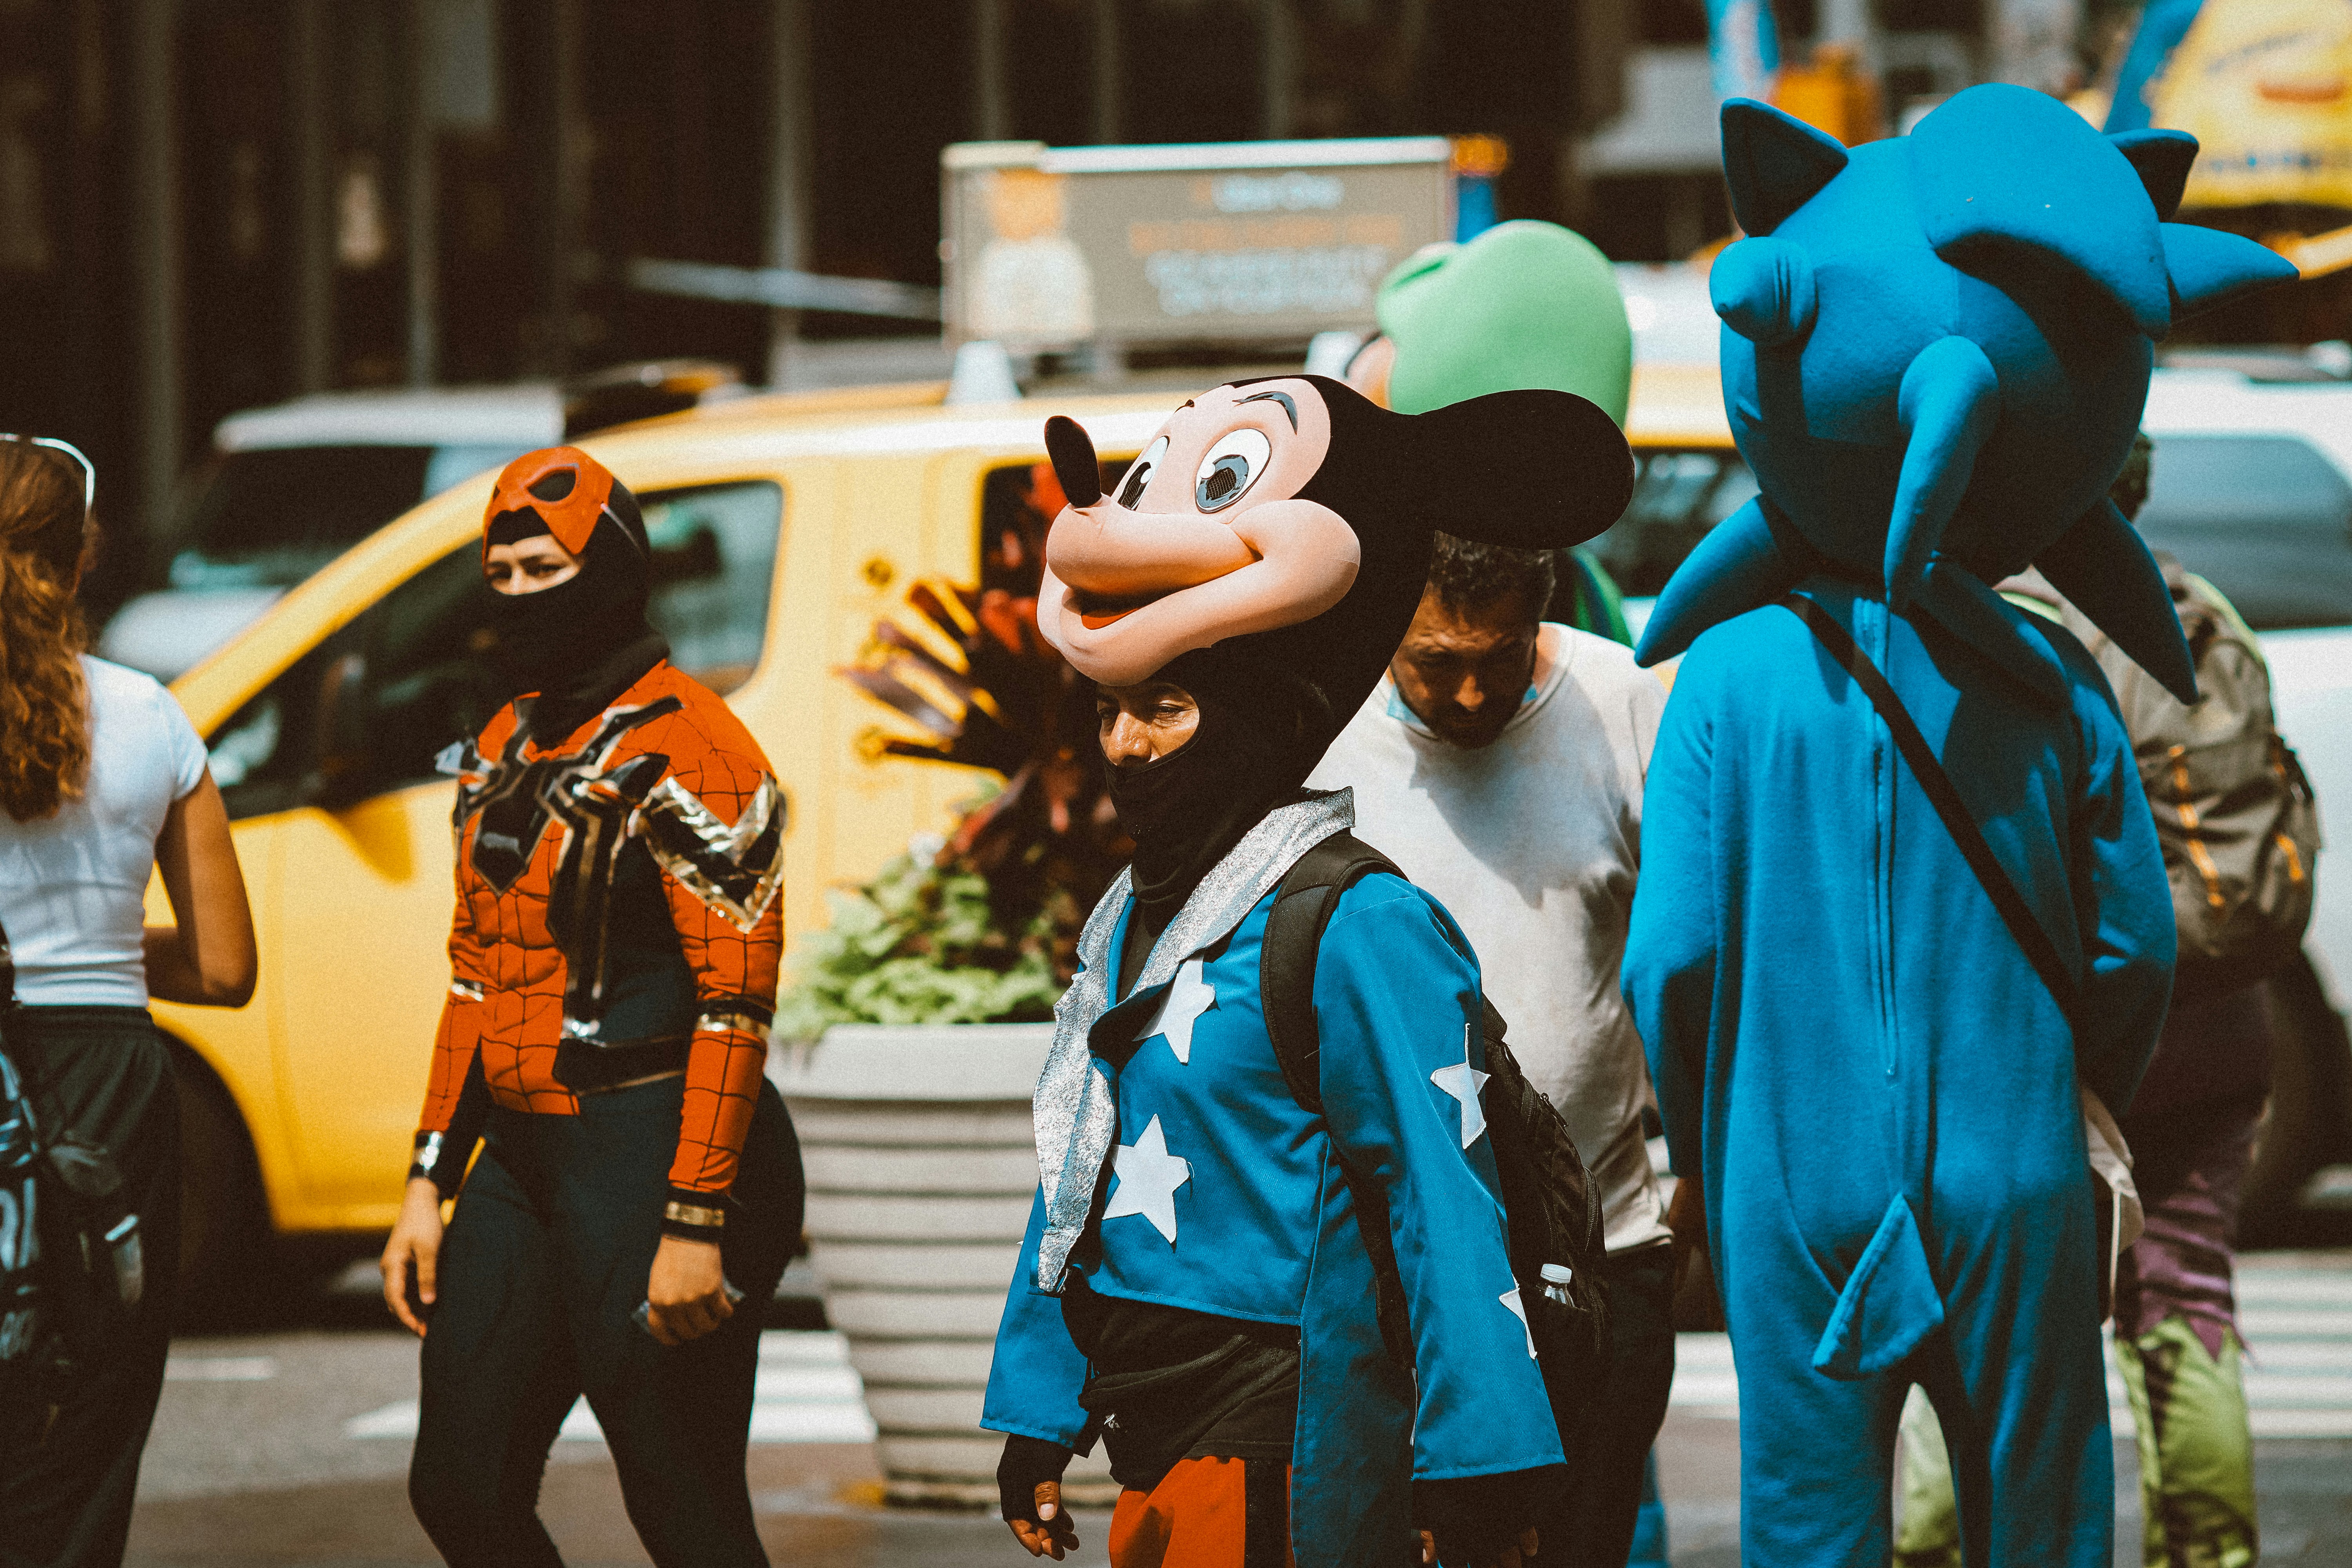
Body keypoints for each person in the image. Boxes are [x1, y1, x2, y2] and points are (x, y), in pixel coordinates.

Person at [1624, 88, 2288, 1565]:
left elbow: (1671, 952)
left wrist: (1702, 1125)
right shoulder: (2054, 684)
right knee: (2037, 1518)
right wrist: (2071, 1083)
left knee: (1813, 1524)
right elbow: (2128, 950)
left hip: (1788, 1170)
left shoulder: (1723, 679)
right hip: (2017, 1160)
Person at [982, 375, 1633, 1568]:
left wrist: (1477, 1470)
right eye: (1112, 710)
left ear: (1256, 717)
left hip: (1291, 1454)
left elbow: (1447, 1198)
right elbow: (1078, 1156)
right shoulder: (1132, 916)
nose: (1125, 746)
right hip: (1153, 1440)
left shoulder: (1359, 922)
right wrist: (1039, 1409)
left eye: (1165, 709)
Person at [377, 446, 799, 1568]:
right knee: (460, 1488)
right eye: (500, 574)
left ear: (609, 573)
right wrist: (429, 1177)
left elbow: (736, 1000)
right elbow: (476, 974)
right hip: (520, 1159)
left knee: (683, 1503)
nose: (517, 595)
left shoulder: (698, 748)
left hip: (659, 1151)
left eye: (542, 568)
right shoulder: (505, 742)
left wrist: (695, 1223)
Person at [1894, 439, 2285, 1568]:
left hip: (2061, 1032)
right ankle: (2210, 1554)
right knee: (2188, 1294)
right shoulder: (2208, 613)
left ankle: (1933, 1544)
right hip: (2221, 1018)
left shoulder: (1998, 626)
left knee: (1986, 1303)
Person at [1308, 548, 1672, 1568]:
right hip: (1402, 1275)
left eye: (1500, 657)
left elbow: (1696, 950)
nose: (1470, 691)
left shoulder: (1618, 702)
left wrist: (1691, 1174)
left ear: (1541, 618)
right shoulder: (1321, 724)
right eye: (1434, 661)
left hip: (1602, 1255)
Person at [0, 434, 258, 1568]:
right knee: (92, 1418)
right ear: (86, 552)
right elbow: (225, 969)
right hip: (110, 1082)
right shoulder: (152, 717)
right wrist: (97, 946)